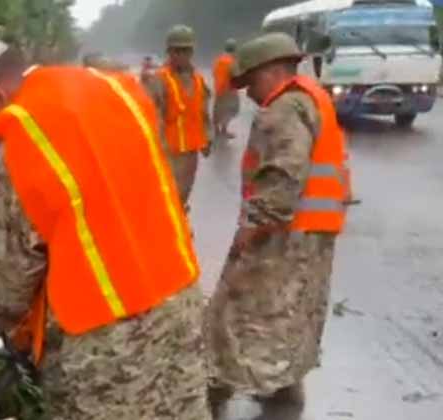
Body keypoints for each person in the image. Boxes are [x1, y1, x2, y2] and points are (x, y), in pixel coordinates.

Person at [0, 26, 210, 419]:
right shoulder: (117, 90)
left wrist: (0, 325)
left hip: (106, 344)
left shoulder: (19, 142)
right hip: (179, 304)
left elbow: (6, 283)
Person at [205, 32, 350, 420]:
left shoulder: (284, 108)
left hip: (284, 235)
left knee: (246, 313)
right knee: (294, 313)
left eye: (250, 82)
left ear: (271, 70)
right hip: (314, 232)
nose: (249, 94)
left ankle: (252, 395)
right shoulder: (313, 98)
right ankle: (285, 392)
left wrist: (250, 229)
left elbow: (284, 175)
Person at [145, 25, 212, 210]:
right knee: (167, 198)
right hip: (169, 151)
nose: (181, 55)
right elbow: (152, 113)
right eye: (177, 51)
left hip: (191, 150)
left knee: (183, 195)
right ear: (169, 52)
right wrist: (158, 146)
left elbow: (203, 111)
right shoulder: (159, 79)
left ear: (192, 52)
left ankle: (181, 218)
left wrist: (208, 137)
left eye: (186, 50)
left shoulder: (198, 79)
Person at [212, 38, 240, 142]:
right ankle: (224, 131)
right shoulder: (232, 61)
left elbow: (214, 72)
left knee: (218, 110)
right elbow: (236, 74)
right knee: (230, 110)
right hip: (229, 90)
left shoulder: (218, 60)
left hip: (219, 89)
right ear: (234, 49)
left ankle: (216, 131)